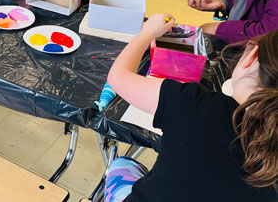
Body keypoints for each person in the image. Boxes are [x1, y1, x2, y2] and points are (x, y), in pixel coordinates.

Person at [105, 14, 278, 201]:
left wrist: (147, 32)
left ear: (252, 57)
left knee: (122, 165)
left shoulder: (196, 104)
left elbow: (118, 76)